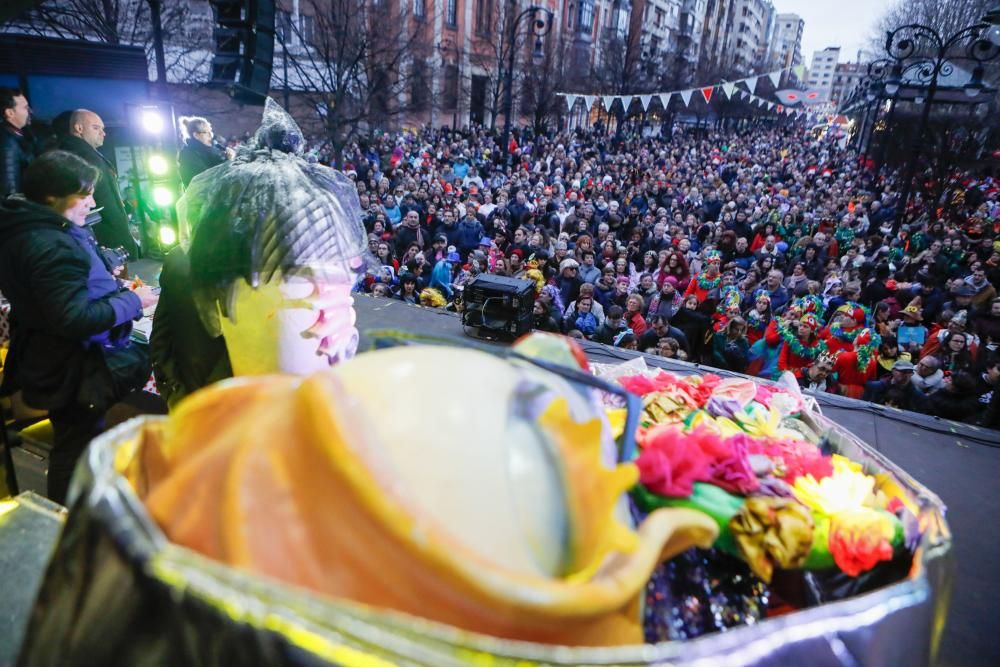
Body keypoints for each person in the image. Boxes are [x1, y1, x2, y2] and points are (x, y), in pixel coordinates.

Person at [0, 151, 157, 503]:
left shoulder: (25, 228)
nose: (92, 202)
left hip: (51, 357)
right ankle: (69, 519)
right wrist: (134, 301)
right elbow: (74, 318)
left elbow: (59, 296)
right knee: (76, 451)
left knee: (77, 443)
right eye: (84, 194)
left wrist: (105, 282)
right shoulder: (49, 244)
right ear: (51, 197)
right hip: (73, 367)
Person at [59, 109, 138, 258]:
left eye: (103, 128)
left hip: (104, 236)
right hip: (104, 239)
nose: (103, 133)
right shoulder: (82, 157)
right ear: (79, 128)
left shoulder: (83, 153)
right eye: (96, 128)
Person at [178, 116, 229, 187]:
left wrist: (227, 158)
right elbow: (207, 179)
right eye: (206, 132)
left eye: (210, 132)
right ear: (196, 135)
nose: (211, 136)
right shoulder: (188, 155)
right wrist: (227, 162)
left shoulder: (213, 149)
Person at [0, 87, 33, 196]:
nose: (30, 111)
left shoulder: (17, 136)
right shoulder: (6, 144)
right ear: (9, 113)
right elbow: (9, 192)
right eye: (25, 108)